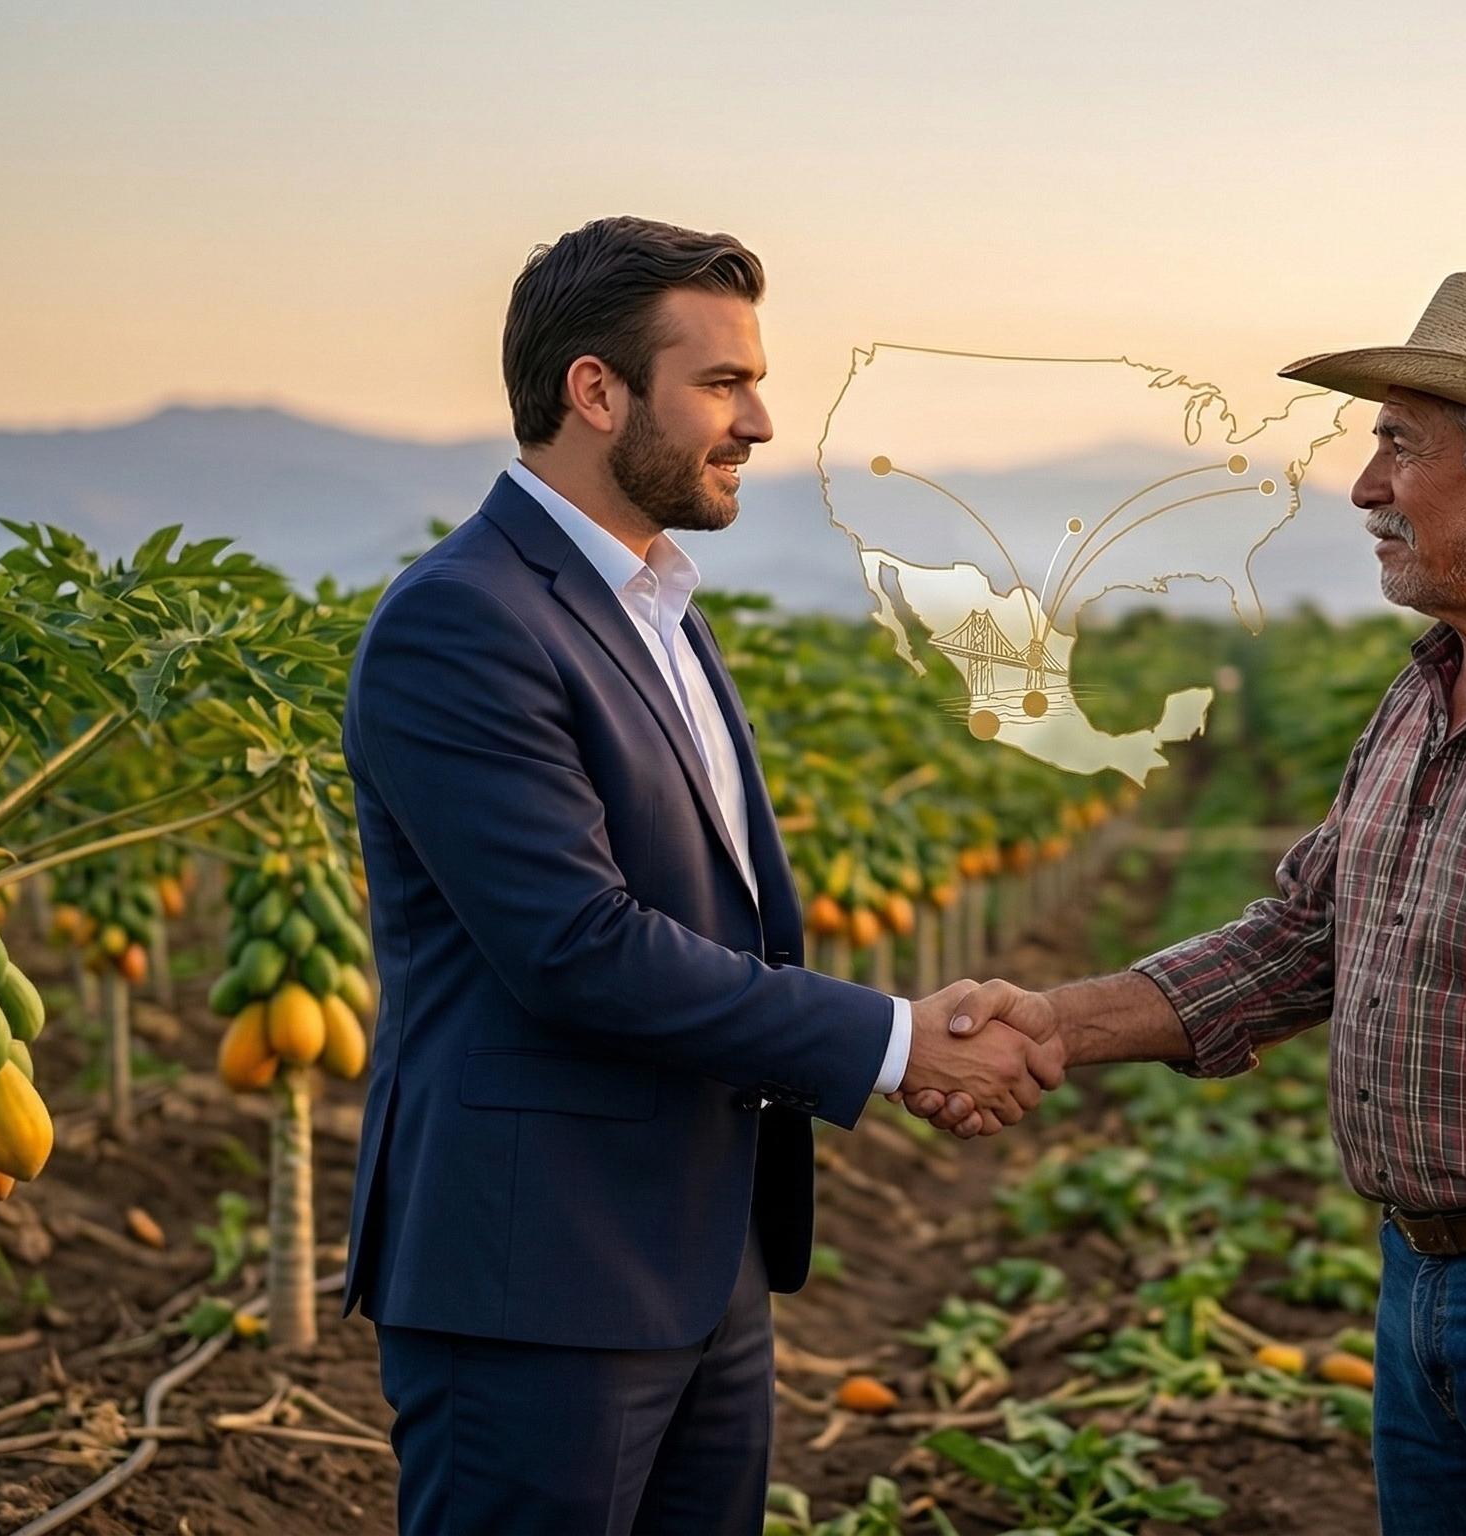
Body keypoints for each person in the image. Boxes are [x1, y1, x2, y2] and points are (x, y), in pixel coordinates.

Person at [906, 272, 1466, 1535]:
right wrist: (1057, 1023)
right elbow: (1308, 934)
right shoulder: (1429, 689)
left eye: (1399, 445)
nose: (1365, 486)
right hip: (1425, 1288)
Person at [343, 216, 1062, 1536]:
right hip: (537, 1280)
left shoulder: (660, 608)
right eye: (723, 384)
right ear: (595, 390)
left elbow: (704, 922)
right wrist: (900, 1043)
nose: (763, 422)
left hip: (701, 1258)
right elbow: (577, 948)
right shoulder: (462, 619)